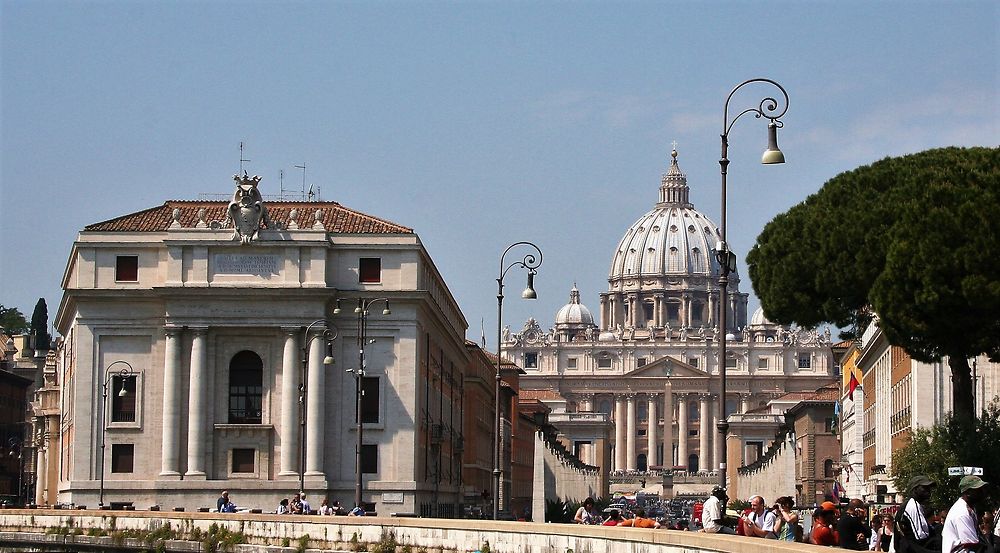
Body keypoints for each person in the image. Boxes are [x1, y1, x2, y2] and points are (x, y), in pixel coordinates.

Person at [942, 475, 989, 553]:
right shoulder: (962, 513)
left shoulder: (968, 508)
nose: (982, 492)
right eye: (978, 490)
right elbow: (972, 545)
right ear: (968, 493)